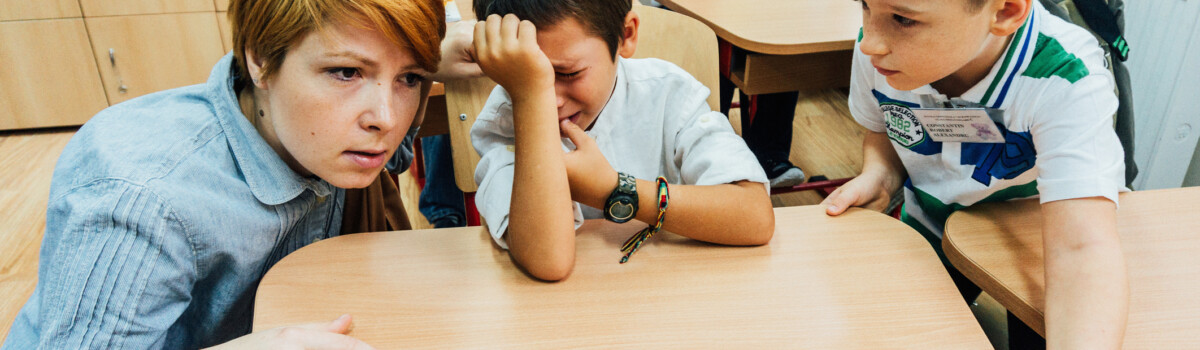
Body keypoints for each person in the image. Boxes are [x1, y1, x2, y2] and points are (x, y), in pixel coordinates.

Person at [2, 0, 479, 348]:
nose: (386, 119)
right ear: (259, 59)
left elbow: (389, 160)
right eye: (346, 72)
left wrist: (433, 61)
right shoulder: (142, 195)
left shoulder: (325, 135)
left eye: (409, 79)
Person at [822, 0, 1128, 347]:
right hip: (931, 226)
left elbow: (1081, 249)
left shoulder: (1066, 75)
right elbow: (884, 128)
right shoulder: (879, 51)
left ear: (1006, 11)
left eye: (903, 19)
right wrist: (879, 173)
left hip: (1038, 246)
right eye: (864, 5)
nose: (869, 43)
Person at [469, 0, 775, 281]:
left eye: (569, 73)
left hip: (672, 295)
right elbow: (549, 261)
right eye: (527, 77)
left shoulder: (668, 95)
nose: (551, 101)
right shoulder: (506, 121)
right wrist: (528, 98)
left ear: (626, 34)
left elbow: (755, 215)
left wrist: (614, 190)